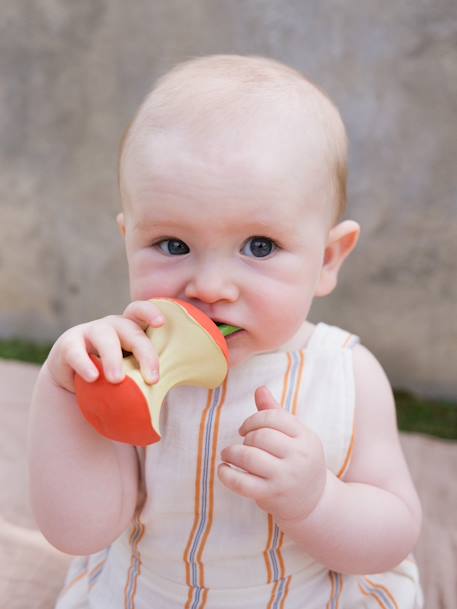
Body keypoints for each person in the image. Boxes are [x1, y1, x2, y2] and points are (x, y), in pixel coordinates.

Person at [28, 54, 423, 608]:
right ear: (128, 241)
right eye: (173, 245)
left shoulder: (346, 373)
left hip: (304, 595)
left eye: (259, 247)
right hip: (152, 593)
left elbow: (394, 533)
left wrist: (319, 501)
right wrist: (61, 391)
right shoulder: (131, 365)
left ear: (328, 258)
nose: (210, 286)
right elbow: (79, 532)